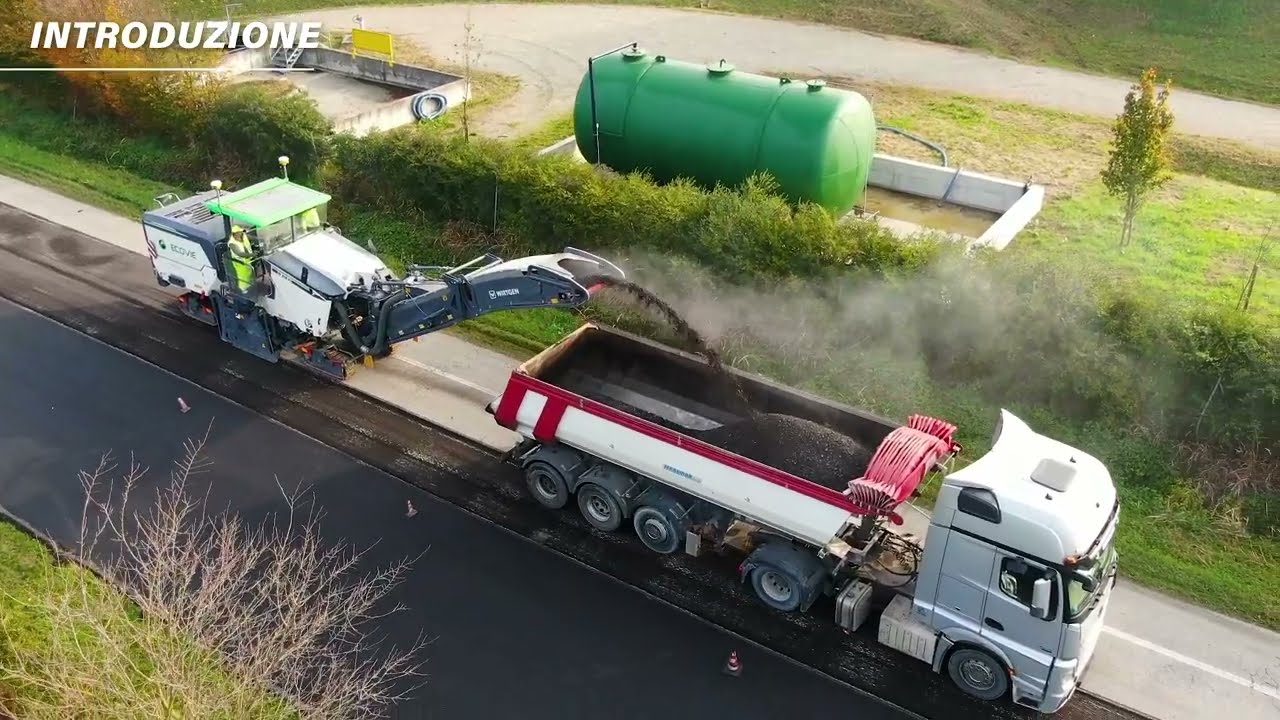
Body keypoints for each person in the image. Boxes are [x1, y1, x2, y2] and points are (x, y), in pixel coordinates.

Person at [227, 225, 256, 293]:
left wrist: (260, 239)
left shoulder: (243, 236)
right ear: (234, 234)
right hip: (239, 263)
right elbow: (240, 253)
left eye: (241, 232)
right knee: (243, 277)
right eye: (239, 232)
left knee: (249, 274)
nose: (241, 233)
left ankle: (251, 286)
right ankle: (243, 290)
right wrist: (252, 254)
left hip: (248, 260)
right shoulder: (232, 243)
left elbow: (251, 238)